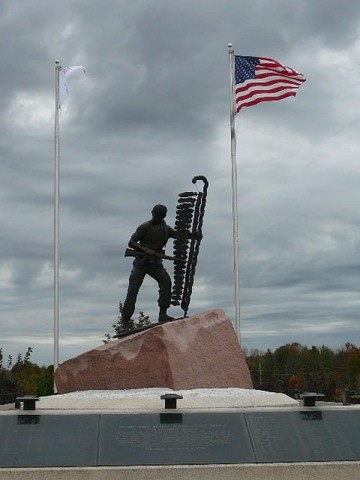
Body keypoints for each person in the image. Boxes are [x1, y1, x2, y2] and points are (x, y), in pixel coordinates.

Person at [122, 204, 178, 329]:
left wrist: (192, 235)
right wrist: (146, 250)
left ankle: (163, 313)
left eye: (161, 216)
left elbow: (176, 234)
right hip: (141, 263)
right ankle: (125, 320)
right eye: (157, 215)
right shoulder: (144, 227)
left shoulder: (166, 229)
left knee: (166, 283)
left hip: (155, 264)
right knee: (132, 290)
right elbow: (131, 243)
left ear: (164, 216)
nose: (158, 217)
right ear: (152, 213)